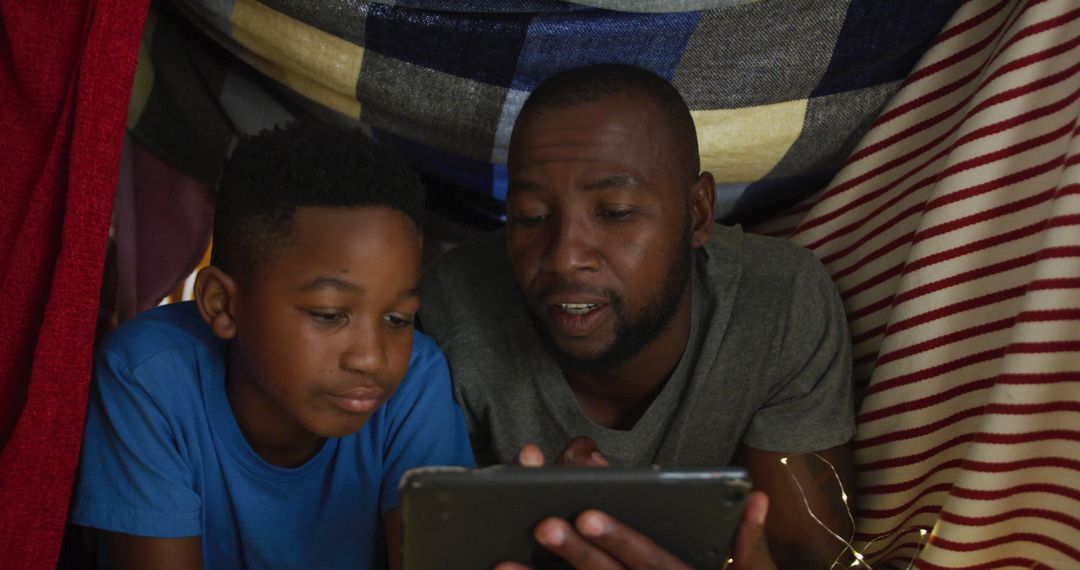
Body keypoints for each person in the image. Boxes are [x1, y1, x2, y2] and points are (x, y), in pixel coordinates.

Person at [420, 64, 856, 568]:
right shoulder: (451, 314)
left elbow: (816, 557)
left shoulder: (779, 305)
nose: (563, 256)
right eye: (532, 217)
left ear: (697, 214)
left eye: (616, 211)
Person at [70, 121, 475, 569]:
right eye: (328, 314)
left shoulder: (416, 381)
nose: (371, 358)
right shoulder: (148, 377)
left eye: (398, 319)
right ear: (223, 305)